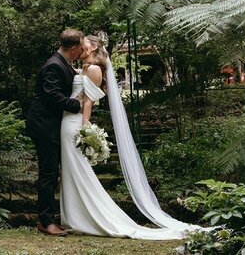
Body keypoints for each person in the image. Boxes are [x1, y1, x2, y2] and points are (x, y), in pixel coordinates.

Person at [58, 34, 207, 239]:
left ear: (93, 46)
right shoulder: (84, 67)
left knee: (78, 169)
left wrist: (85, 128)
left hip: (74, 123)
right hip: (67, 120)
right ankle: (75, 215)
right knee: (72, 168)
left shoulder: (93, 69)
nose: (80, 45)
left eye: (84, 43)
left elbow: (88, 102)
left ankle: (85, 216)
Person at [25, 29, 88, 236]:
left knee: (52, 172)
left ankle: (51, 218)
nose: (82, 49)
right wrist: (77, 105)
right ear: (73, 48)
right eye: (81, 46)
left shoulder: (64, 63)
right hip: (44, 125)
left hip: (53, 125)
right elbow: (52, 96)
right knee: (48, 172)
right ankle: (46, 221)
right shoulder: (54, 65)